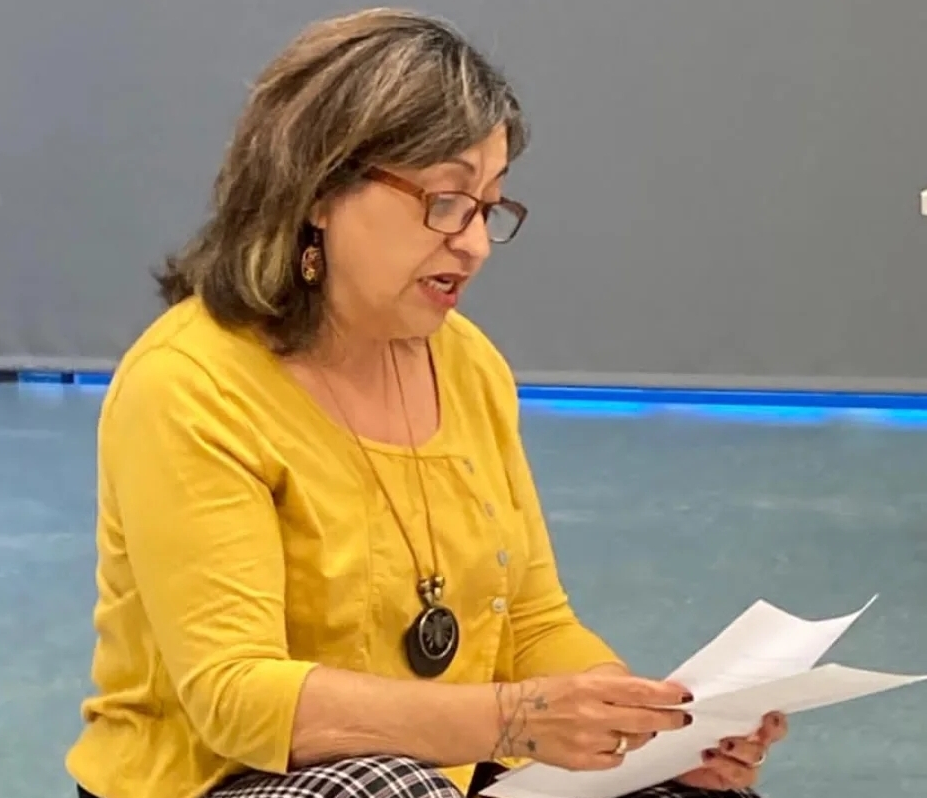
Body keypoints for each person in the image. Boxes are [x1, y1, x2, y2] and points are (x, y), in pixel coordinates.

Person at [65, 8, 788, 798]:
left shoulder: (470, 364)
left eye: (489, 207)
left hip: (440, 769)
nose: (473, 244)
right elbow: (236, 699)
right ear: (319, 188)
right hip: (220, 780)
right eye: (445, 202)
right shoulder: (189, 384)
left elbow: (534, 624)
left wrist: (646, 727)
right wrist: (515, 720)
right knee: (388, 789)